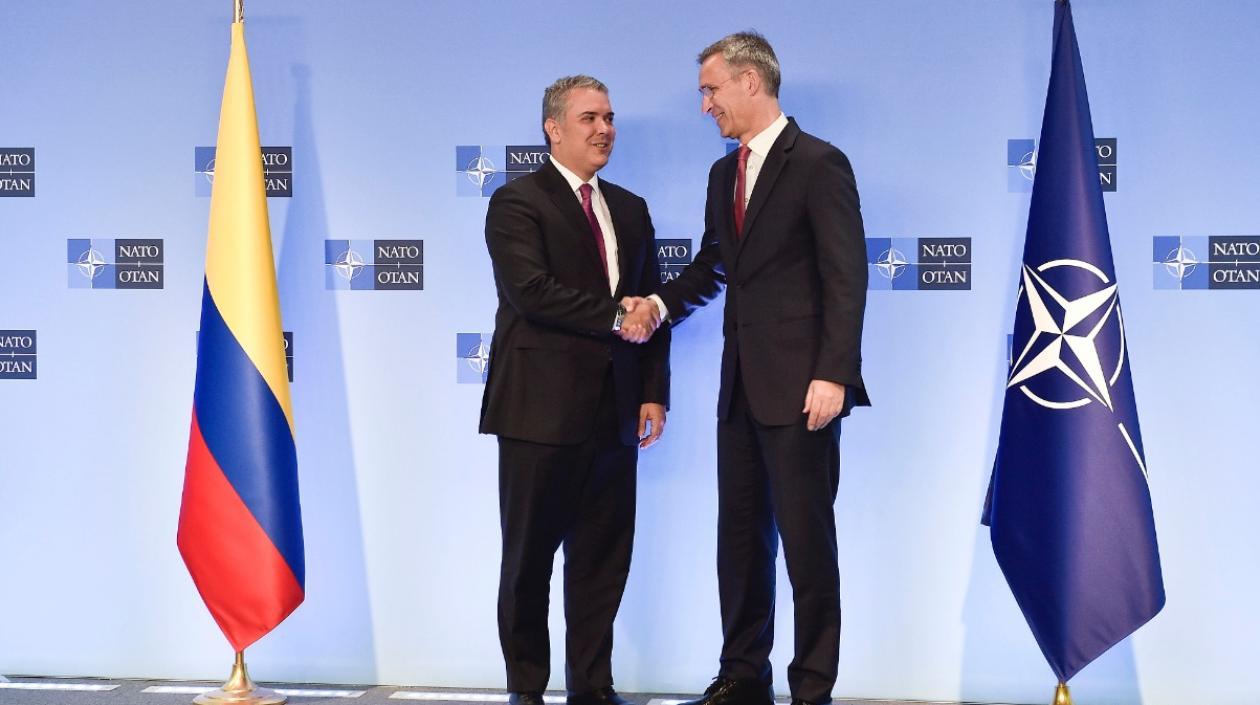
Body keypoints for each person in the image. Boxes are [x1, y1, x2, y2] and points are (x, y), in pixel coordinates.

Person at [641, 31, 870, 705]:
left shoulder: (819, 164)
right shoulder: (723, 175)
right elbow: (715, 266)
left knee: (807, 545)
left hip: (805, 389)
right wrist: (657, 304)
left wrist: (834, 372)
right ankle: (743, 676)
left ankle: (812, 688)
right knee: (739, 541)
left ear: (750, 81)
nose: (705, 103)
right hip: (739, 388)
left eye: (712, 89)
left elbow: (846, 275)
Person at [479, 75, 670, 705]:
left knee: (602, 563)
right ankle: (526, 692)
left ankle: (594, 688)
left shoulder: (632, 207)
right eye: (589, 118)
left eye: (610, 117)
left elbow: (651, 309)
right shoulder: (516, 203)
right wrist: (619, 315)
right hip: (538, 413)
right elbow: (530, 292)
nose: (604, 129)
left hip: (614, 415)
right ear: (553, 129)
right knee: (528, 563)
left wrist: (652, 390)